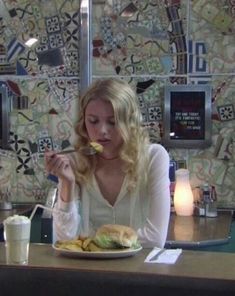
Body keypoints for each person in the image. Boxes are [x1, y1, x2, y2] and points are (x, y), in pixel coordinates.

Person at [45, 78, 170, 248]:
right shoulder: (75, 161)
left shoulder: (154, 157)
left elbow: (156, 238)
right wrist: (67, 183)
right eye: (93, 121)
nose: (102, 131)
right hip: (91, 270)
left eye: (113, 122)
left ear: (130, 122)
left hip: (141, 269)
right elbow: (65, 238)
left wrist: (92, 244)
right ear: (83, 122)